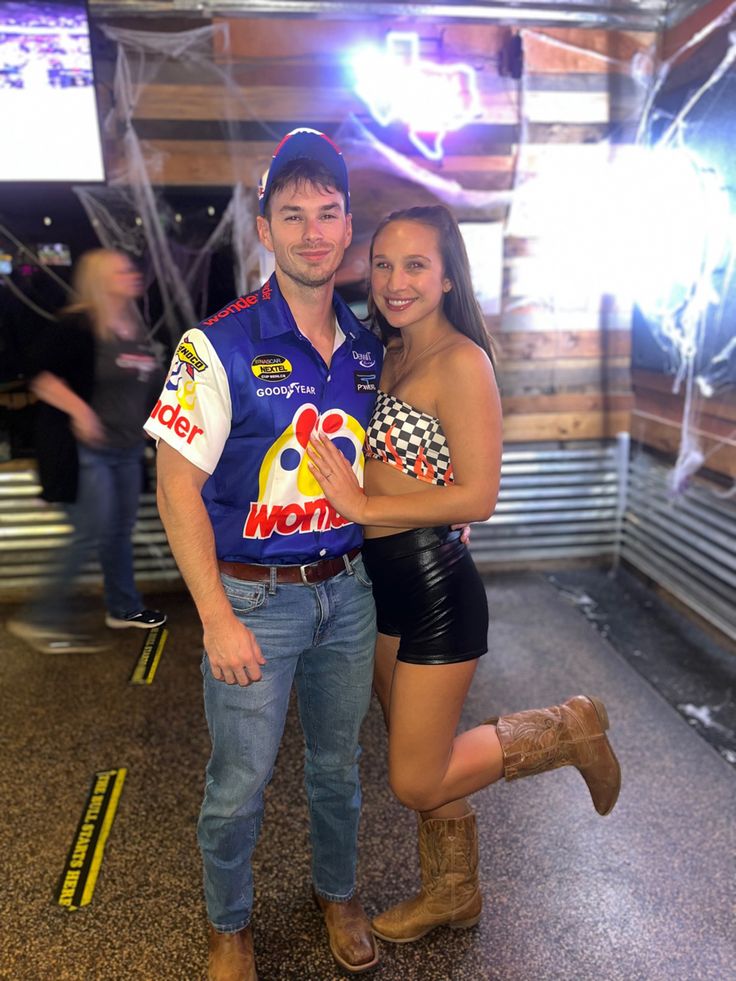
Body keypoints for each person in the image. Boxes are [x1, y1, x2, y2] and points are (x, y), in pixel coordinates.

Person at [307, 204, 622, 944]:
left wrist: (359, 500)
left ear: (448, 275)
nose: (395, 280)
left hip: (436, 591)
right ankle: (454, 892)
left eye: (416, 264)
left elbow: (480, 493)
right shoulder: (385, 353)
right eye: (383, 263)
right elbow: (422, 468)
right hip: (378, 582)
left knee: (416, 775)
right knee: (426, 756)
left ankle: (568, 728)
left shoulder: (460, 361)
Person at [144, 129, 384, 981]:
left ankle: (338, 891)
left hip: (348, 594)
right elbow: (175, 488)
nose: (313, 232)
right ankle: (229, 925)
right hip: (251, 600)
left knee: (338, 769)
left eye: (327, 214)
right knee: (238, 784)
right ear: (265, 226)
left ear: (348, 224)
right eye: (294, 215)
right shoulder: (215, 345)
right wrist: (214, 617)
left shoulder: (367, 347)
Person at [7, 249, 166, 654]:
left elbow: (146, 385)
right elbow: (39, 377)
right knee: (89, 534)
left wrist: (155, 425)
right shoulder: (76, 324)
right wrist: (81, 411)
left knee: (116, 533)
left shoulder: (134, 326)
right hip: (87, 451)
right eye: (120, 270)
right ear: (98, 278)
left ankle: (123, 608)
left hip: (127, 449)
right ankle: (40, 619)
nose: (131, 274)